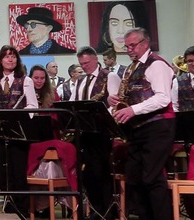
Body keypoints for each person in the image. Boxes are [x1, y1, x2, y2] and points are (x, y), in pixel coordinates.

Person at [109, 28, 174, 220]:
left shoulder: (157, 65)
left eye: (132, 45)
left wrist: (132, 110)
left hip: (158, 127)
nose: (129, 49)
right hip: (139, 128)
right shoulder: (132, 68)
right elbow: (138, 96)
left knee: (152, 178)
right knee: (134, 178)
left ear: (145, 44)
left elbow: (163, 98)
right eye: (126, 46)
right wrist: (118, 101)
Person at [0, 45, 37, 215]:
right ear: (1, 60)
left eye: (13, 56)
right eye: (7, 56)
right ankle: (9, 206)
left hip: (19, 133)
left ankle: (21, 208)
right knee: (4, 171)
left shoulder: (26, 80)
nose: (10, 59)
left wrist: (19, 116)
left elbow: (32, 106)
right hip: (1, 133)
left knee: (18, 170)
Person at [70, 46, 116, 219]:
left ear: (96, 60)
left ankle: (107, 212)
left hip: (102, 132)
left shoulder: (109, 76)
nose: (85, 66)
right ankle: (96, 210)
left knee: (101, 172)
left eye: (87, 63)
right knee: (88, 174)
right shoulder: (81, 80)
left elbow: (114, 103)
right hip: (85, 132)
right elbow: (74, 103)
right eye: (82, 64)